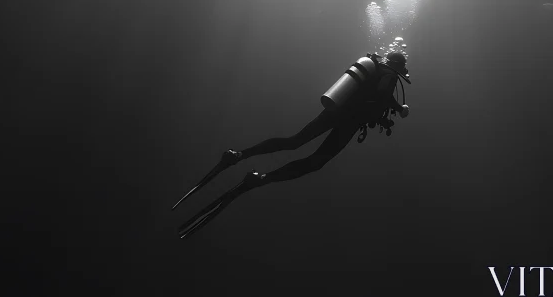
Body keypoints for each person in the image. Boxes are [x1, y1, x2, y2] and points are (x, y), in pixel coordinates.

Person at [173, 51, 412, 238]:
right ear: (399, 67)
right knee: (316, 161)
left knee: (294, 141)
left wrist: (386, 110)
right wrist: (390, 111)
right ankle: (259, 179)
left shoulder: (374, 69)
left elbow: (376, 95)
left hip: (335, 110)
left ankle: (237, 155)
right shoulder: (390, 75)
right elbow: (382, 94)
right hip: (348, 122)